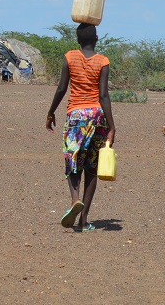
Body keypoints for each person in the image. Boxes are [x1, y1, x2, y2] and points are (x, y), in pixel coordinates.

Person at [45, 22, 116, 231]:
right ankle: (84, 220)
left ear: (77, 40)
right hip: (97, 116)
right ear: (96, 39)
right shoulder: (103, 61)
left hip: (76, 116)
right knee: (92, 168)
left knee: (73, 160)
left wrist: (51, 112)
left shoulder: (70, 57)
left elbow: (61, 88)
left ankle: (75, 199)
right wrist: (112, 127)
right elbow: (103, 95)